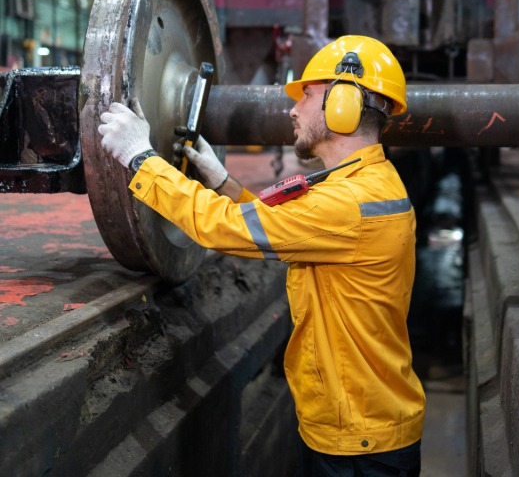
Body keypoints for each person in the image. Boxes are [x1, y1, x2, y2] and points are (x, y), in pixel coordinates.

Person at [98, 35, 425, 477]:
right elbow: (288, 228)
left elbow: (226, 229)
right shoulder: (364, 185)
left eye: (306, 95)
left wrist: (141, 157)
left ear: (342, 103)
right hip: (361, 426)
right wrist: (222, 181)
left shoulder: (349, 204)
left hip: (358, 447)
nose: (292, 109)